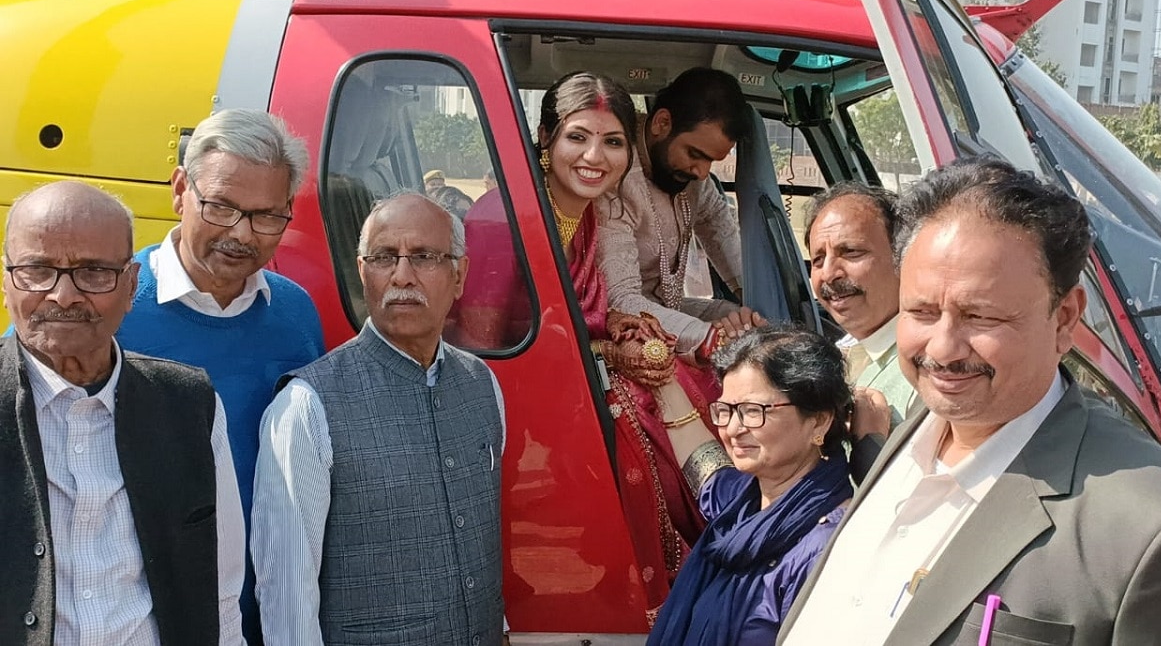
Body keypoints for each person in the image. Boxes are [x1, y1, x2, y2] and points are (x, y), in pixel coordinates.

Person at [778, 157, 1161, 645]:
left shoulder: (1156, 530)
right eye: (921, 311)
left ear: (1064, 318)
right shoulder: (918, 425)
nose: (941, 350)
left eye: (981, 316)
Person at [456, 71, 723, 623]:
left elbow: (594, 315)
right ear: (546, 140)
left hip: (575, 377)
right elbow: (483, 355)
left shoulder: (594, 215)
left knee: (675, 369)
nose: (594, 156)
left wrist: (622, 333)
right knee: (647, 396)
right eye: (578, 137)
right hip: (521, 398)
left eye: (613, 142)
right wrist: (607, 354)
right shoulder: (501, 218)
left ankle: (713, 550)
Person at [252, 193, 506, 645]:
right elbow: (285, 591)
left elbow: (480, 537)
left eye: (425, 257)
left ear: (459, 275)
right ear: (363, 270)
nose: (402, 276)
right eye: (385, 257)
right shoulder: (307, 406)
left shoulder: (481, 384)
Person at [0, 181, 244, 645]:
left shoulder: (188, 404)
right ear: (7, 281)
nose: (63, 295)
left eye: (92, 272)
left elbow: (221, 590)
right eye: (37, 270)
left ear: (132, 286)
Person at [116, 108, 325, 644]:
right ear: (180, 189)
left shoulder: (295, 316)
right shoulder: (109, 311)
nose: (242, 234)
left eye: (265, 216)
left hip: (269, 612)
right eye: (222, 207)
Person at [648, 326, 891, 646]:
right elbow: (704, 466)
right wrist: (660, 376)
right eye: (726, 410)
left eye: (753, 411)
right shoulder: (742, 506)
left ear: (818, 420)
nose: (734, 429)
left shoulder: (825, 547)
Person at [596, 67, 765, 361]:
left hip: (666, 311)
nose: (702, 173)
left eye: (711, 161)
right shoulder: (617, 173)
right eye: (695, 154)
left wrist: (757, 306)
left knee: (740, 318)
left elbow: (725, 239)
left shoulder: (695, 183)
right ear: (662, 123)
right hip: (620, 326)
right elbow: (620, 300)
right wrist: (711, 338)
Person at [806, 182, 916, 425]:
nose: (829, 273)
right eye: (818, 259)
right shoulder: (841, 354)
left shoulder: (931, 370)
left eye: (852, 252)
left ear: (903, 258)